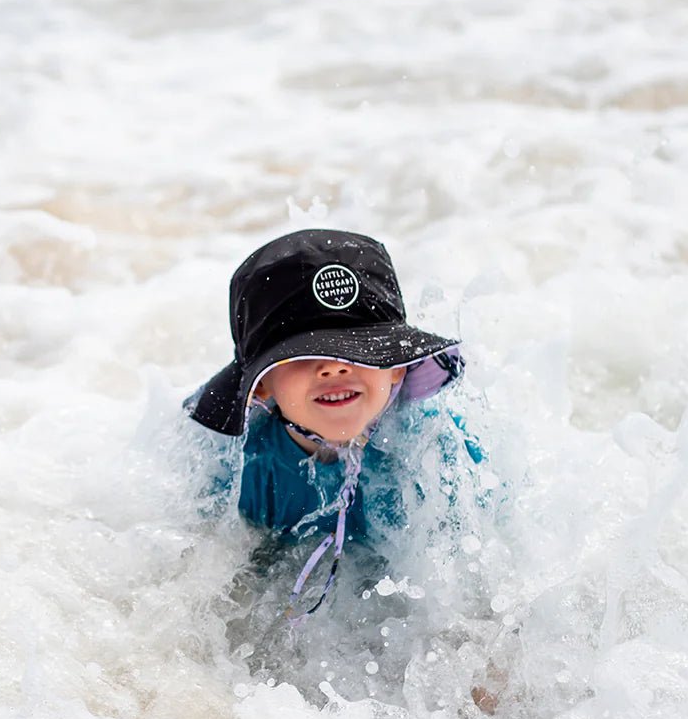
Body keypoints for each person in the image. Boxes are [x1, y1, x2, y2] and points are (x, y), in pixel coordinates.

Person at [185, 228, 478, 619]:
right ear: (260, 387)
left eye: (362, 348)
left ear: (396, 369)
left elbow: (476, 588)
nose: (335, 366)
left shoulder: (438, 454)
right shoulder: (240, 470)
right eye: (305, 354)